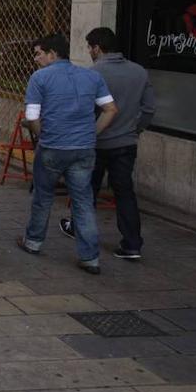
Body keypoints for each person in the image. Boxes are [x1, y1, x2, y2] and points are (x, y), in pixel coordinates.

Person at [18, 34, 119, 275]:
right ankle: (90, 257)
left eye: (39, 53)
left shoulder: (39, 78)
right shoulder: (91, 76)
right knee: (83, 202)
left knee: (43, 197)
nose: (36, 59)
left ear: (53, 53)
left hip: (53, 147)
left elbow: (31, 117)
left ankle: (33, 242)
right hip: (83, 148)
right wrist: (91, 134)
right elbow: (111, 109)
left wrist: (42, 135)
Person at [58, 27, 155, 260]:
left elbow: (82, 110)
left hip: (96, 143)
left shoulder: (93, 74)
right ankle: (132, 244)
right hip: (126, 143)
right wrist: (135, 129)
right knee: (124, 193)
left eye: (89, 48)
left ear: (97, 48)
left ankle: (80, 230)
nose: (89, 52)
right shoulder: (140, 72)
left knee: (85, 190)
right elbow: (149, 109)